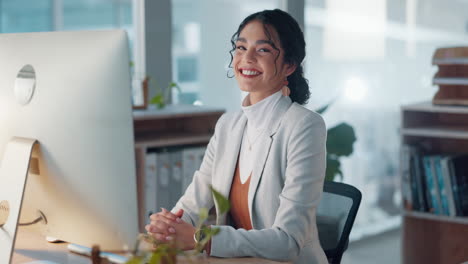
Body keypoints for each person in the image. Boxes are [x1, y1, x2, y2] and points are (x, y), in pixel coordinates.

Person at [146, 9, 328, 264]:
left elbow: (288, 240)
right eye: (241, 47)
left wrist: (203, 238)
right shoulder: (228, 125)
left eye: (263, 50)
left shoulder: (304, 126)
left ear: (289, 65)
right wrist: (170, 226)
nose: (247, 58)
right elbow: (192, 204)